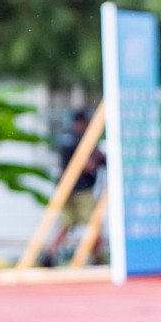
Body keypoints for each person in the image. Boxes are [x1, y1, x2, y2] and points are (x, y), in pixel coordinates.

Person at [46, 109, 106, 261]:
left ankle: (49, 255)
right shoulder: (80, 139)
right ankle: (97, 258)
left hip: (65, 189)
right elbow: (89, 165)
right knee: (94, 223)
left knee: (66, 224)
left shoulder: (65, 138)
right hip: (81, 189)